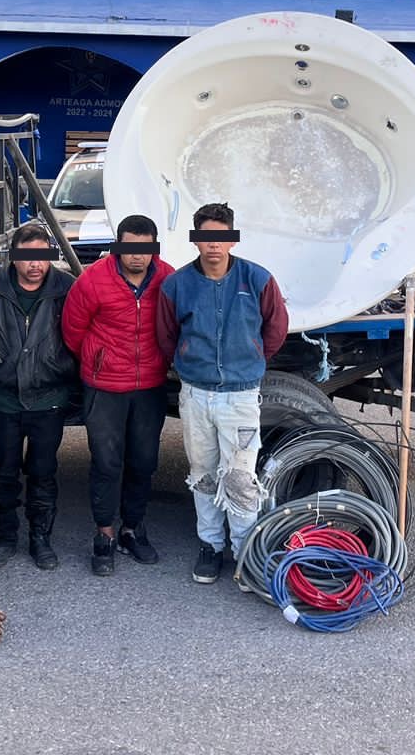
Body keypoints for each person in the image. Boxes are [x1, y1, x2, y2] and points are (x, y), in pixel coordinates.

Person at [156, 202, 289, 586]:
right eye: (206, 237)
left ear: (231, 238)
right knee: (204, 473)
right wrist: (187, 364)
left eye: (221, 236)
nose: (213, 245)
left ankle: (245, 551)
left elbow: (276, 328)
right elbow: (166, 335)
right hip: (196, 395)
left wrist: (250, 359)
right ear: (196, 239)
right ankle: (210, 546)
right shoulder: (177, 285)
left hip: (240, 395)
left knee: (240, 477)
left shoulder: (257, 280)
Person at [61, 214, 175, 577]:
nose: (137, 257)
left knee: (143, 461)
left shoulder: (168, 278)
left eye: (144, 249)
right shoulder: (93, 280)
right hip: (105, 387)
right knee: (107, 464)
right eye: (130, 248)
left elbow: (175, 323)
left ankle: (132, 529)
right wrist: (100, 361)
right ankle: (104, 535)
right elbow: (73, 332)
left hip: (150, 386)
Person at [0, 222, 78, 571]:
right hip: (4, 397)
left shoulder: (67, 288)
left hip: (49, 395)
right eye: (27, 256)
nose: (36, 264)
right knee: (4, 471)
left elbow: (80, 334)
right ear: (14, 257)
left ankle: (40, 538)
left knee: (43, 470)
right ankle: (2, 537)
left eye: (42, 255)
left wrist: (64, 370)